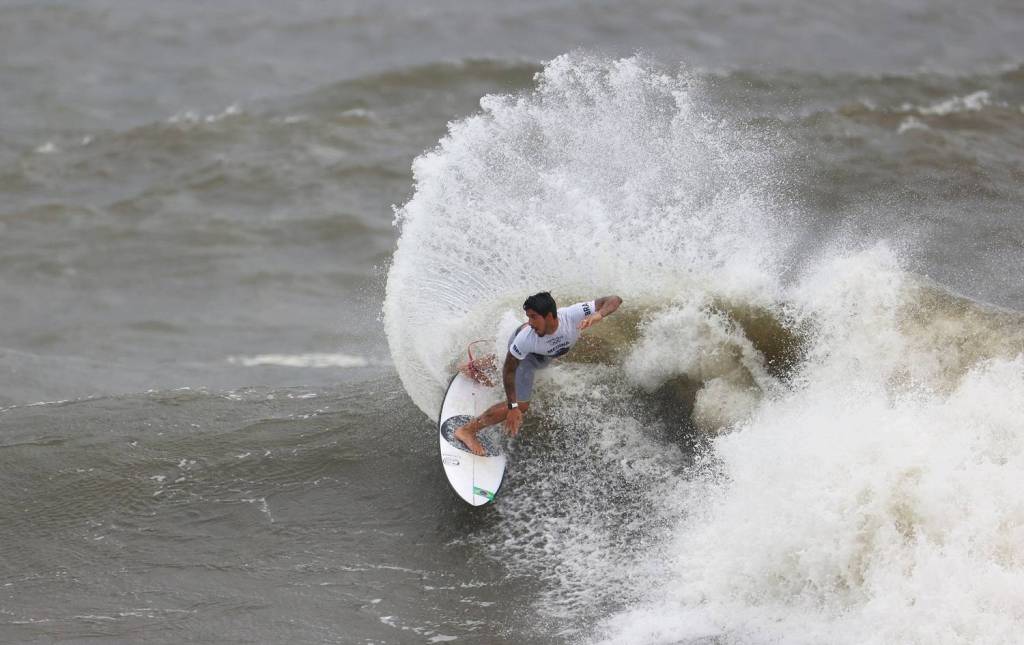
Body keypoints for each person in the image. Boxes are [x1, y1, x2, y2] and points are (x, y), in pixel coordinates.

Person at [453, 291, 623, 456]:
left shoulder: (572, 315)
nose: (530, 322)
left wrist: (599, 314)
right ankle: (467, 430)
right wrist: (513, 407)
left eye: (533, 317)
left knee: (523, 355)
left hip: (542, 355)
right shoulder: (527, 338)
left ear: (550, 316)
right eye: (528, 317)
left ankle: (476, 366)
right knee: (521, 405)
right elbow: (509, 370)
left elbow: (614, 299)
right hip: (528, 358)